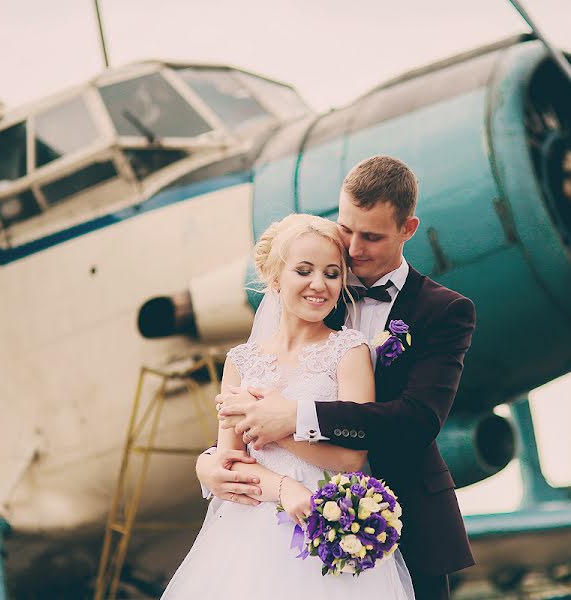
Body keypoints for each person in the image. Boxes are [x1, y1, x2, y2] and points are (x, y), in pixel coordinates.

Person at [201, 155, 476, 600]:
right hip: (274, 524)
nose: (352, 249)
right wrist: (208, 464)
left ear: (408, 229)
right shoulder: (318, 290)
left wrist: (293, 418)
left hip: (401, 517)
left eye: (371, 236)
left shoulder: (444, 311)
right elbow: (235, 433)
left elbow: (417, 419)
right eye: (346, 229)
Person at [163, 213, 415, 599]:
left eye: (332, 273)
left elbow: (351, 456)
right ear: (275, 278)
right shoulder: (241, 361)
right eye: (304, 270)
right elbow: (230, 462)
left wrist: (279, 427)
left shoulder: (348, 352)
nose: (319, 284)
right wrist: (284, 487)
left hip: (324, 518)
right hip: (248, 530)